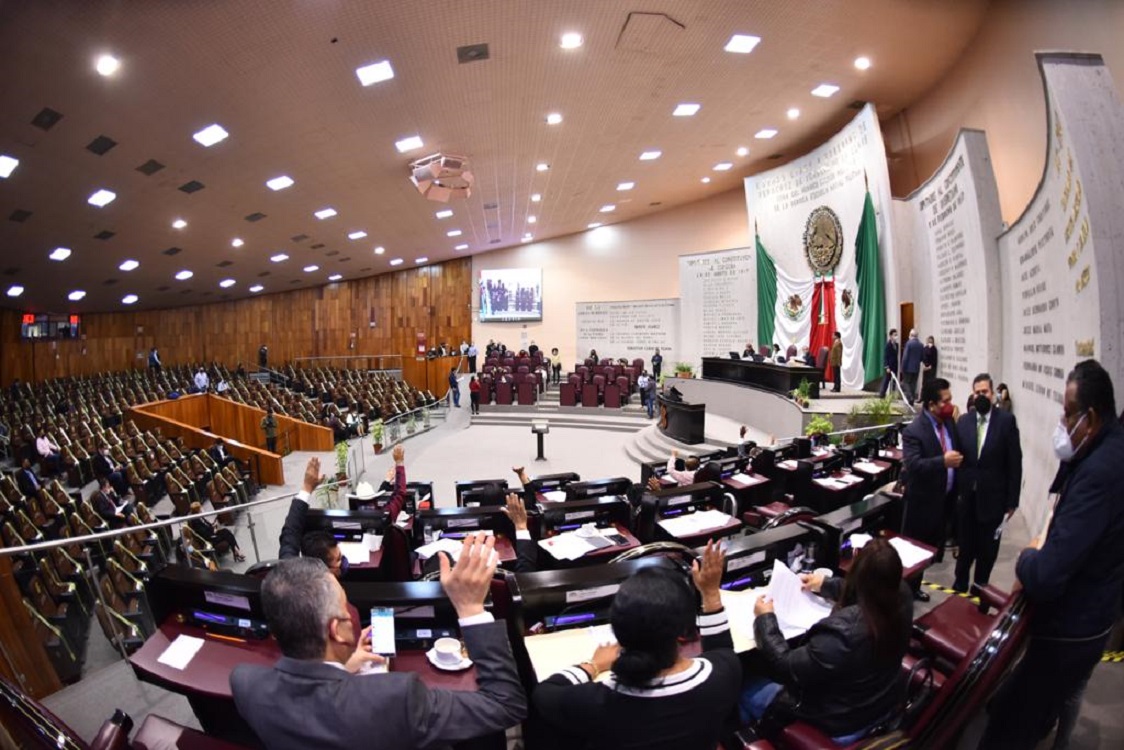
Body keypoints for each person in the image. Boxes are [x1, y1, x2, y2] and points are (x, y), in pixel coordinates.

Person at [230, 538, 527, 750]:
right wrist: (471, 609)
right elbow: (506, 705)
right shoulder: (397, 698)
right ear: (339, 632)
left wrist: (342, 665)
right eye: (346, 609)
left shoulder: (245, 683)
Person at [979, 360, 1124, 748]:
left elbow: (1044, 574)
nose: (1062, 423)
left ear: (1090, 418)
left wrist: (1028, 554)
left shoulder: (1099, 473)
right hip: (1090, 618)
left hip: (1069, 631)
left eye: (1067, 414)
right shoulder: (1109, 450)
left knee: (1010, 727)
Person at [533, 541, 739, 750]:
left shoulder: (596, 702)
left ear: (618, 633)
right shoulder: (722, 676)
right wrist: (711, 593)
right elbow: (721, 649)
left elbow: (544, 694)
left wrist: (593, 665)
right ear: (683, 633)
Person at [742, 539, 912, 743]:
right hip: (878, 705)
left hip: (835, 723)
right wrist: (824, 584)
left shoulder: (843, 634)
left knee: (743, 684)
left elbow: (785, 666)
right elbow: (870, 589)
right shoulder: (902, 594)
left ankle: (756, 739)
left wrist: (765, 619)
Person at [953, 373, 1022, 593]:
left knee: (987, 551)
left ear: (993, 394)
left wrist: (1012, 502)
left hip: (994, 500)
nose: (980, 395)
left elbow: (1014, 463)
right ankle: (959, 586)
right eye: (977, 392)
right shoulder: (963, 422)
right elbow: (957, 458)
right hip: (967, 500)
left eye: (984, 392)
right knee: (965, 549)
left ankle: (979, 591)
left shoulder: (1006, 422)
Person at [901, 377, 960, 598]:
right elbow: (914, 465)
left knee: (928, 553)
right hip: (921, 505)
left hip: (943, 503)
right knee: (914, 553)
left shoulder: (950, 424)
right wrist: (942, 462)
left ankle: (915, 588)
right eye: (945, 401)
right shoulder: (914, 431)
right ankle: (906, 595)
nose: (950, 405)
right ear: (931, 404)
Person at [901, 330, 924, 403]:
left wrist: (902, 367)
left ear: (910, 335)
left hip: (907, 367)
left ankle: (910, 396)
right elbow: (922, 357)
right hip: (916, 367)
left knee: (906, 382)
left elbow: (905, 357)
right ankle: (912, 399)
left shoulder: (909, 344)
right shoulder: (921, 344)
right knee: (913, 383)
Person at [878, 329, 899, 398]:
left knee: (894, 381)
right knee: (886, 380)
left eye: (896, 335)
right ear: (891, 336)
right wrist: (887, 367)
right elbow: (885, 356)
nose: (896, 336)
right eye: (894, 335)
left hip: (895, 366)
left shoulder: (897, 345)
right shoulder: (888, 345)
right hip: (889, 367)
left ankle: (892, 394)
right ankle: (882, 394)